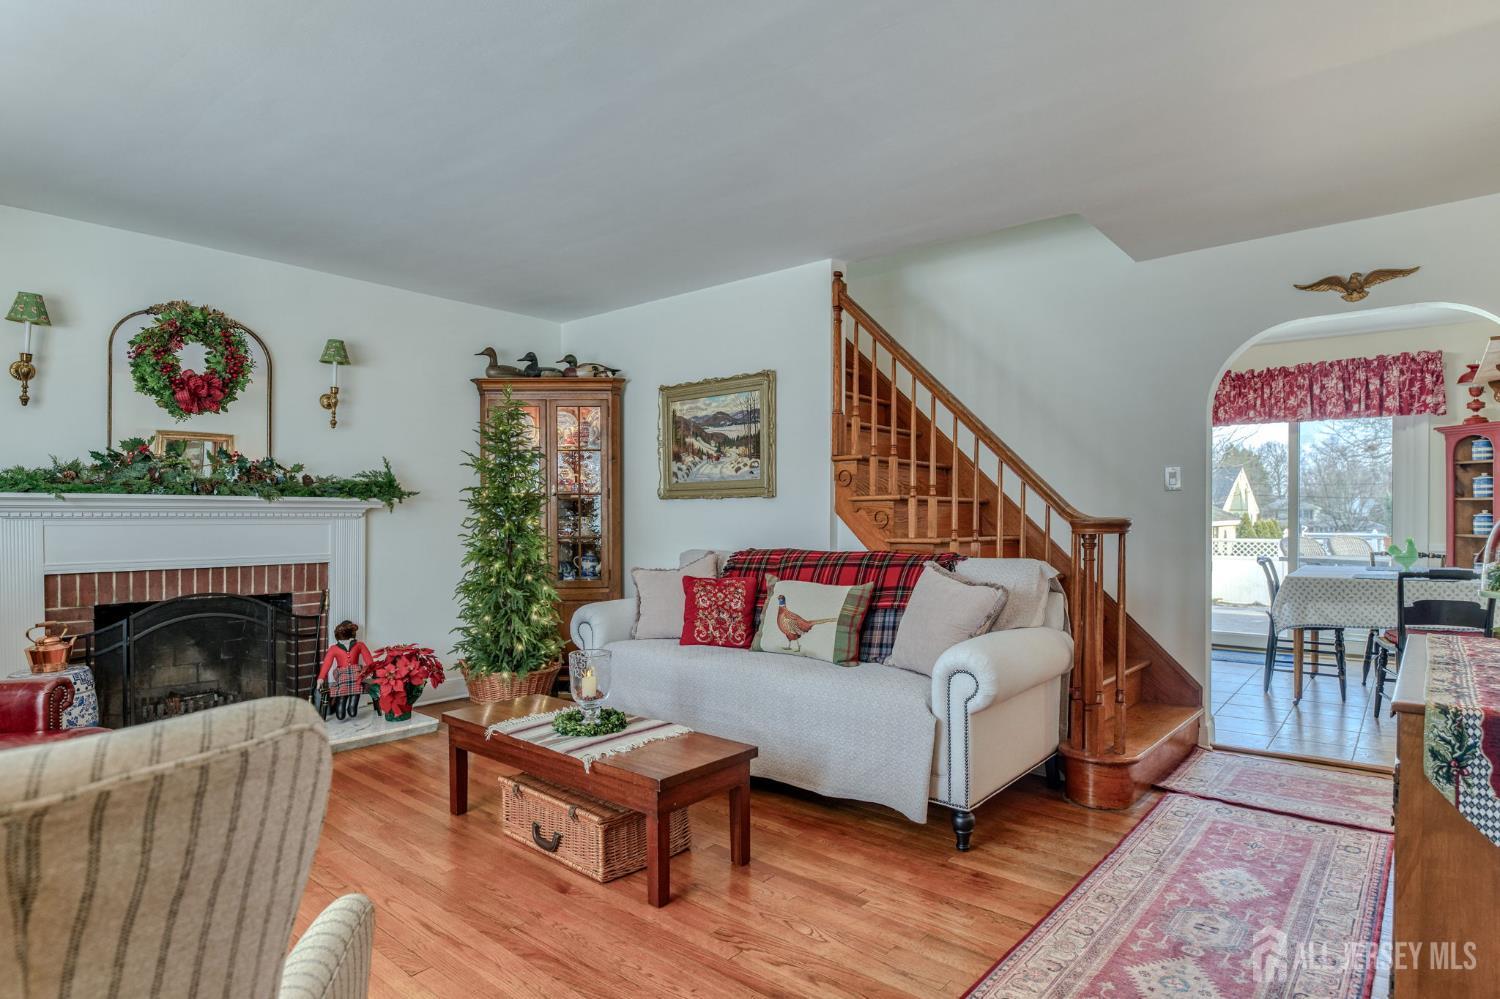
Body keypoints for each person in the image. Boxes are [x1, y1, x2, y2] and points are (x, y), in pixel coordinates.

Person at [316, 620, 373, 721]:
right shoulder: (333, 648)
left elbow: (368, 660)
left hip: (356, 674)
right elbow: (327, 664)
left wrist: (371, 671)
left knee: (357, 681)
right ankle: (342, 698)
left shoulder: (359, 645)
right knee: (340, 713)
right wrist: (321, 678)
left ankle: (352, 702)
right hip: (342, 675)